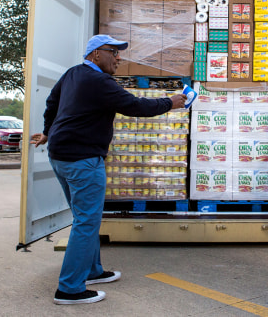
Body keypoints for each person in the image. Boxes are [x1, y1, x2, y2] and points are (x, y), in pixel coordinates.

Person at [29, 34, 187, 305]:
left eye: (118, 52)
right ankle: (69, 289)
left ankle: (92, 271)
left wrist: (47, 132)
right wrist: (170, 102)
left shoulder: (72, 75)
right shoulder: (99, 81)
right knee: (87, 221)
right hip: (82, 159)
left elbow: (51, 105)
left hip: (61, 155)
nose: (118, 57)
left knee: (84, 218)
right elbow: (135, 106)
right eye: (113, 52)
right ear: (95, 54)